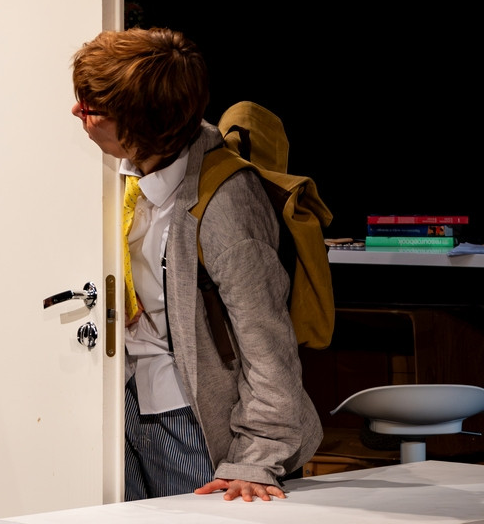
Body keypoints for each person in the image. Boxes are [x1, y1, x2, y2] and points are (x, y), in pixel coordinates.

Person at [69, 27, 323, 503]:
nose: (77, 113)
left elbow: (267, 345)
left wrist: (256, 457)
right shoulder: (126, 171)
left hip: (195, 421)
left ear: (138, 124)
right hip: (124, 403)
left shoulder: (225, 205)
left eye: (92, 109)